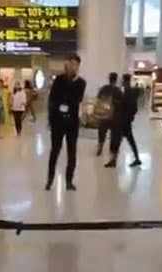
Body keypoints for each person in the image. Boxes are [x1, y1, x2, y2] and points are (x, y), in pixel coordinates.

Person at [46, 54, 86, 191]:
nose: (72, 66)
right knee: (55, 151)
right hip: (57, 121)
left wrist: (73, 82)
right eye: (71, 63)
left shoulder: (81, 83)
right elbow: (53, 100)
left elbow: (75, 100)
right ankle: (50, 179)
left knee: (72, 152)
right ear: (67, 64)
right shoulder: (59, 80)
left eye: (75, 65)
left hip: (72, 123)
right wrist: (51, 119)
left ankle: (69, 181)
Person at [105, 73, 141, 168]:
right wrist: (130, 117)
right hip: (127, 121)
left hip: (120, 121)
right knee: (130, 140)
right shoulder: (132, 92)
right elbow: (134, 108)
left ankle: (113, 161)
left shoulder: (123, 92)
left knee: (116, 140)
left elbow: (119, 106)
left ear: (124, 81)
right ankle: (136, 158)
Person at [95, 72, 122, 157]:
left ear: (109, 78)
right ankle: (113, 150)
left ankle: (100, 147)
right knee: (113, 133)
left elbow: (98, 99)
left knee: (102, 131)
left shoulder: (103, 88)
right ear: (116, 79)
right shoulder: (118, 90)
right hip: (113, 116)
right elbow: (121, 103)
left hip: (103, 114)